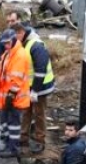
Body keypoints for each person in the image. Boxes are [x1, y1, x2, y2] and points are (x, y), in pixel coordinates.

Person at [0, 24, 32, 158]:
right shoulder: (9, 53)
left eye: (7, 43)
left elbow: (16, 79)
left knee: (13, 124)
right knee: (5, 121)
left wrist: (10, 96)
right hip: (8, 97)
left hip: (15, 98)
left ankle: (13, 148)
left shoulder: (20, 56)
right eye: (4, 43)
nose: (5, 46)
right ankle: (7, 144)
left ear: (14, 40)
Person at [19, 26, 55, 154]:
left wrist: (35, 91)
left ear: (22, 33)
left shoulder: (36, 46)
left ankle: (40, 141)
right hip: (28, 85)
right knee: (25, 111)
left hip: (40, 87)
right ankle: (23, 137)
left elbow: (40, 70)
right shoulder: (24, 43)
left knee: (39, 113)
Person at [0, 10, 23, 78]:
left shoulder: (28, 34)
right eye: (8, 21)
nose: (10, 23)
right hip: (11, 74)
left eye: (13, 21)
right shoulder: (4, 37)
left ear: (19, 20)